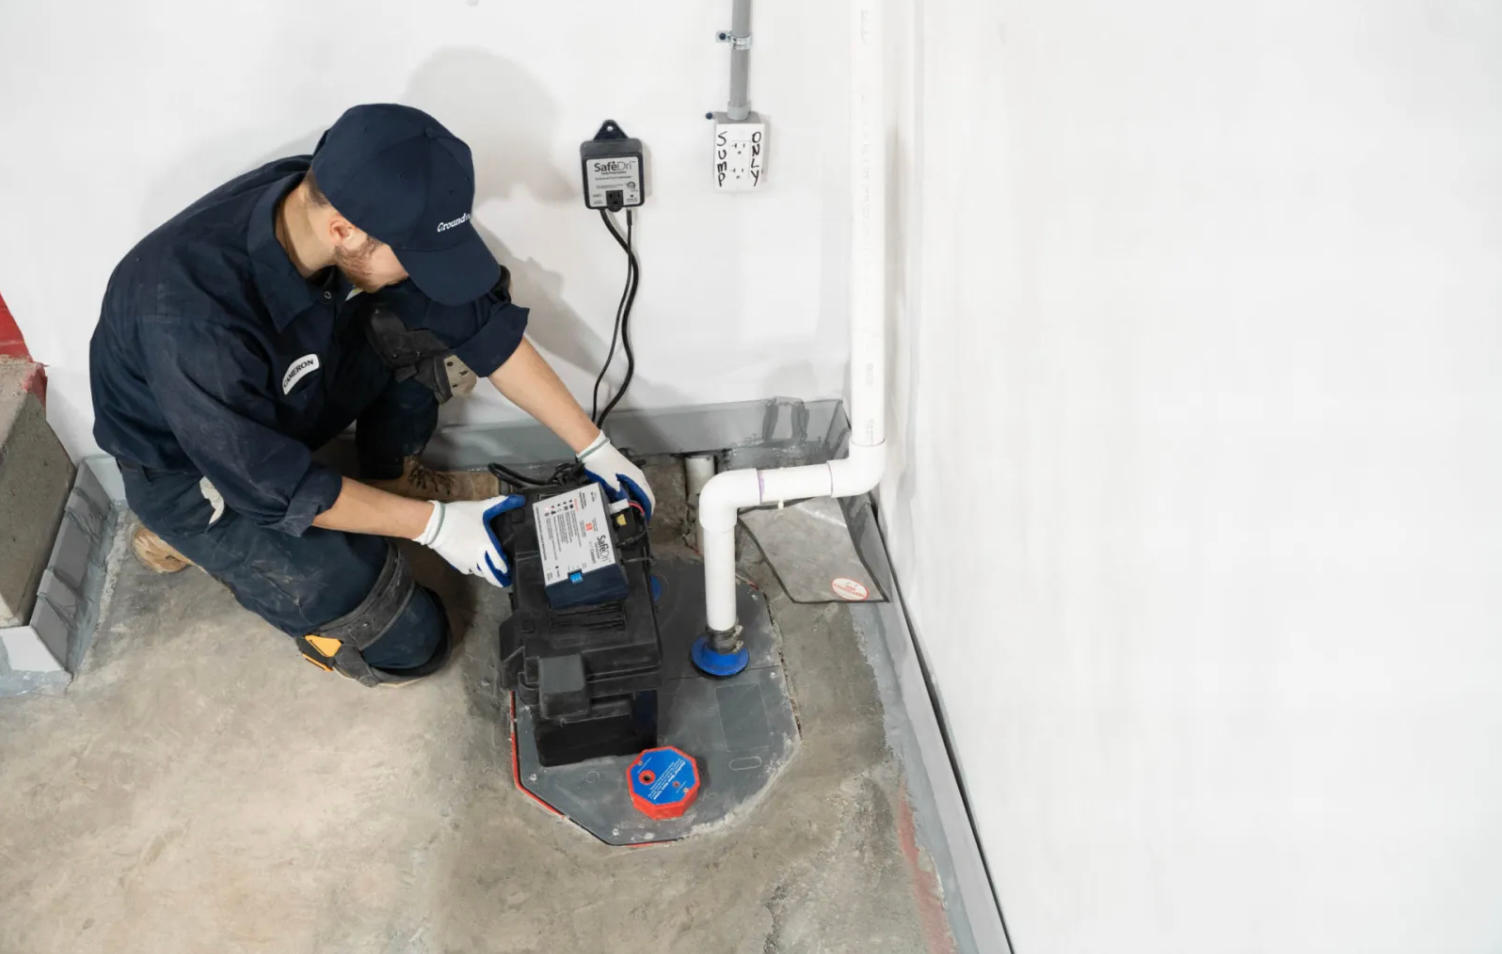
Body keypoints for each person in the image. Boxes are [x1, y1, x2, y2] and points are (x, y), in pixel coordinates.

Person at [88, 103, 655, 687]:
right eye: (409, 257)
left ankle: (388, 481)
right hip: (198, 471)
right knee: (410, 642)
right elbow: (275, 488)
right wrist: (435, 528)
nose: (417, 272)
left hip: (286, 392)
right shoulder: (189, 318)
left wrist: (595, 448)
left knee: (427, 314)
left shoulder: (341, 195)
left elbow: (482, 326)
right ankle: (195, 536)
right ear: (343, 231)